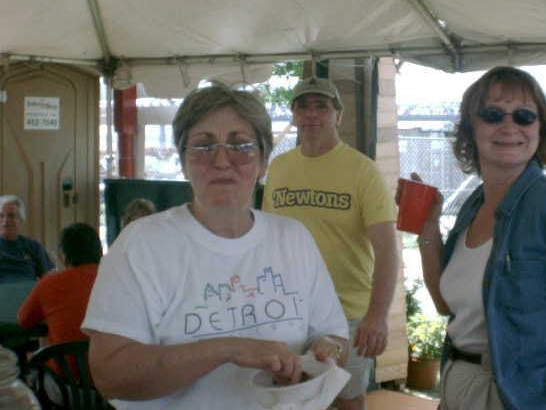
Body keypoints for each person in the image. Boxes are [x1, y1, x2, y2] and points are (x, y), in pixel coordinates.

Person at [81, 83, 349, 410]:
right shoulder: (141, 245)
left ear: (263, 163)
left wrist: (328, 349)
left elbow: (335, 338)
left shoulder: (294, 239)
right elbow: (110, 374)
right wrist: (226, 349)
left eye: (241, 145)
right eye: (203, 146)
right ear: (184, 162)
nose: (222, 160)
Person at [396, 66, 546, 410]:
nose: (509, 126)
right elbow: (444, 305)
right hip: (458, 382)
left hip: (529, 396)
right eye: (493, 115)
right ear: (470, 129)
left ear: (541, 130)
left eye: (525, 116)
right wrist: (428, 228)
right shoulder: (473, 206)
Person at [262, 76, 398, 410]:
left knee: (348, 401)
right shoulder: (278, 167)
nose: (311, 114)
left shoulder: (362, 170)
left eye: (321, 106)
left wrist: (377, 316)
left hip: (347, 315)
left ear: (338, 115)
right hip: (288, 312)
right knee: (290, 399)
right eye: (302, 106)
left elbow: (387, 249)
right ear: (294, 115)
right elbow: (267, 240)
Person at [18, 222, 102, 405]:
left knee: (33, 372)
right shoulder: (119, 280)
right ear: (99, 251)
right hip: (115, 391)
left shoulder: (48, 285)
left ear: (64, 257)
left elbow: (24, 320)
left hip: (65, 390)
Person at [0, 195, 54, 284]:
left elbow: (47, 278)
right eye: (1, 215)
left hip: (29, 292)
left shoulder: (33, 246)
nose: (5, 220)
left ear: (20, 219)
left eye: (11, 215)